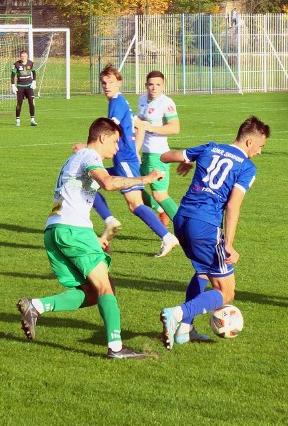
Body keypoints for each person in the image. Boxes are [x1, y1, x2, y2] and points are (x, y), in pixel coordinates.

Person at [17, 117, 165, 359]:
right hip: (72, 231)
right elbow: (107, 183)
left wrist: (93, 238)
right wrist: (144, 180)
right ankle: (116, 348)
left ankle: (37, 306)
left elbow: (73, 199)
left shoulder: (74, 160)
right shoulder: (89, 157)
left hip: (56, 231)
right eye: (115, 142)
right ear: (103, 137)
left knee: (93, 292)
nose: (117, 148)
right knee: (106, 287)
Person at [159, 116, 271, 349]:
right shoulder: (247, 167)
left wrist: (189, 161)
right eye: (261, 146)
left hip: (182, 218)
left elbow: (165, 157)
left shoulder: (210, 148)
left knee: (202, 272)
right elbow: (233, 205)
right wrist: (228, 243)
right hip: (205, 224)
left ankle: (184, 331)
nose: (260, 152)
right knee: (226, 292)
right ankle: (177, 313)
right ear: (250, 142)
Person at [78, 64, 179, 257]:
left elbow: (110, 130)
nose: (107, 86)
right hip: (124, 158)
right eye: (104, 82)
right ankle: (109, 220)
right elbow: (139, 126)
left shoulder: (117, 102)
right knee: (89, 182)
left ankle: (167, 237)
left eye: (111, 82)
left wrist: (87, 145)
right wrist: (136, 150)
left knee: (135, 204)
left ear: (119, 83)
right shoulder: (121, 102)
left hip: (124, 159)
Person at [136, 70, 180, 225]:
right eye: (151, 84)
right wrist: (135, 149)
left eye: (158, 85)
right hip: (144, 153)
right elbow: (138, 126)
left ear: (163, 86)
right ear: (146, 85)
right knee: (132, 187)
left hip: (158, 154)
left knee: (160, 195)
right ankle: (161, 211)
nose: (154, 88)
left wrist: (152, 128)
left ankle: (184, 227)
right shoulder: (142, 99)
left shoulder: (166, 103)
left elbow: (175, 128)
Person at [11, 50, 37, 127]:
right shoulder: (16, 64)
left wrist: (34, 81)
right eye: (22, 56)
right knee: (19, 104)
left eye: (24, 56)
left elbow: (34, 72)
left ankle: (32, 120)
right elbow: (12, 75)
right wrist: (13, 85)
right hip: (20, 87)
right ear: (20, 57)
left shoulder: (31, 63)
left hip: (29, 86)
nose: (23, 57)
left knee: (31, 102)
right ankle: (17, 120)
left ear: (27, 56)